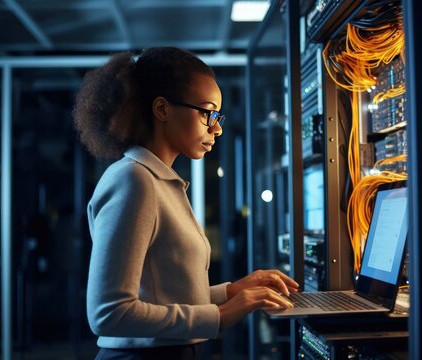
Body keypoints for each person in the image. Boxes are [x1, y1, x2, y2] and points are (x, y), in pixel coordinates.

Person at [72, 47, 298, 360]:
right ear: (162, 109)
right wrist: (221, 315)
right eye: (208, 113)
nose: (216, 128)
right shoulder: (134, 180)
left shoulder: (157, 181)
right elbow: (109, 314)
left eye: (218, 116)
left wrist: (233, 291)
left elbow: (163, 295)